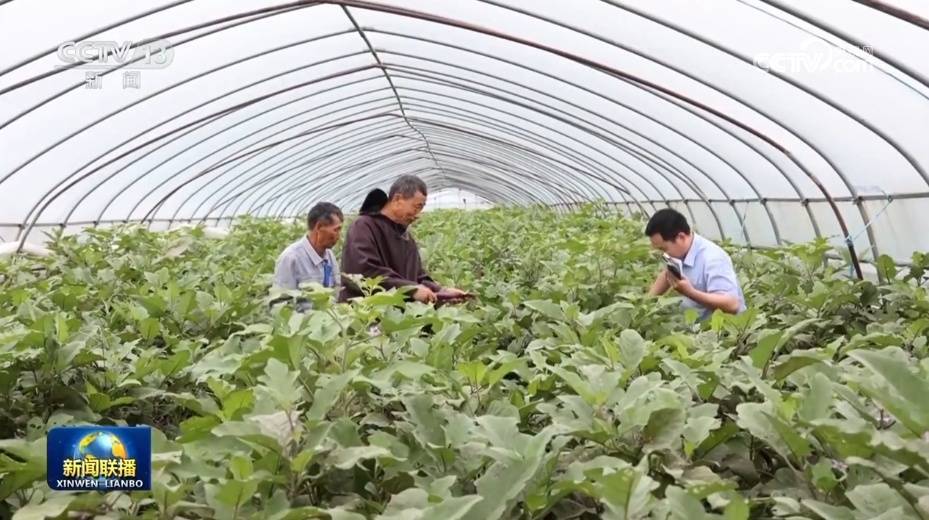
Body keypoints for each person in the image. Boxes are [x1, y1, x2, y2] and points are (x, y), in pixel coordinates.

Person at [340, 175, 468, 303]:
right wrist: (410, 289)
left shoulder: (406, 236)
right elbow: (364, 271)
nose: (418, 215)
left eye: (421, 208)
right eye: (416, 207)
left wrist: (442, 292)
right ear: (397, 199)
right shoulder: (363, 226)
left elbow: (418, 277)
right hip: (367, 315)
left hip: (397, 316)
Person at [645, 208, 746, 320]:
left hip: (720, 331)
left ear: (681, 237)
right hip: (692, 324)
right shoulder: (678, 252)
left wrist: (690, 292)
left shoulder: (713, 258)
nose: (663, 254)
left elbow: (732, 305)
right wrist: (646, 304)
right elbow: (667, 273)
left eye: (664, 249)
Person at [272, 202, 343, 310]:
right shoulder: (291, 258)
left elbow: (335, 292)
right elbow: (281, 306)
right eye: (336, 230)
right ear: (319, 226)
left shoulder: (329, 255)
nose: (339, 236)